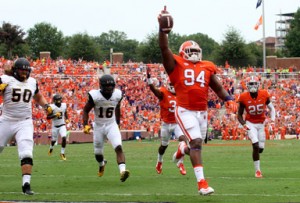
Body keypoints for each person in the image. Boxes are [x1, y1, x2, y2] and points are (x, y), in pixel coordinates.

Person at [157, 10, 237, 195]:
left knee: (195, 145)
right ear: (183, 53)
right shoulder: (175, 65)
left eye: (196, 51)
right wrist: (162, 30)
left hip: (202, 112)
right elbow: (164, 48)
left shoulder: (207, 66)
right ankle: (202, 183)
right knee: (197, 142)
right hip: (185, 110)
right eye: (190, 51)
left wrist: (229, 99)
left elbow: (217, 87)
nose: (193, 54)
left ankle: (180, 150)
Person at [0, 58, 53, 195]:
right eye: (22, 70)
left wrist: (46, 107)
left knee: (26, 152)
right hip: (6, 120)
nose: (24, 73)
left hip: (24, 121)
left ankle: (26, 184)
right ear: (15, 71)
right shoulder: (6, 80)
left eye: (26, 70)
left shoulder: (32, 82)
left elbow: (38, 97)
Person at [82, 74, 130, 182]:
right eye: (107, 86)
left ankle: (123, 171)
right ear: (101, 86)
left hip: (111, 124)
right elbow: (86, 110)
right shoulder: (95, 95)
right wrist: (85, 124)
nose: (109, 88)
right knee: (98, 153)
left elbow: (117, 107)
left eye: (111, 86)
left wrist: (117, 122)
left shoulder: (117, 94)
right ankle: (102, 163)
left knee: (118, 147)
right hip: (98, 126)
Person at [146, 67, 187, 175]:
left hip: (177, 123)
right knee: (163, 146)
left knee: (183, 141)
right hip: (165, 124)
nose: (173, 87)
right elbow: (153, 90)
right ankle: (159, 161)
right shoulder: (163, 93)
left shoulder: (181, 93)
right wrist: (149, 79)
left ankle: (180, 163)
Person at [237, 75, 275, 178]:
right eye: (250, 84)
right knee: (255, 145)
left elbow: (272, 108)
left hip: (261, 124)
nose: (253, 86)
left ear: (258, 84)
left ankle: (257, 154)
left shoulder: (264, 94)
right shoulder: (243, 96)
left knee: (260, 149)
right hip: (250, 123)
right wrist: (244, 124)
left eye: (254, 84)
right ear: (247, 85)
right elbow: (239, 115)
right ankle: (258, 171)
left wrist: (273, 120)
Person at [47, 94, 69, 160]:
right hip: (55, 126)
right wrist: (55, 115)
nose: (59, 101)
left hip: (62, 125)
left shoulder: (64, 105)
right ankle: (51, 148)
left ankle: (62, 153)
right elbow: (48, 117)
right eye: (58, 100)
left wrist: (67, 118)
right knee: (53, 140)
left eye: (59, 100)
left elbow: (65, 113)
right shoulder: (52, 107)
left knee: (64, 137)